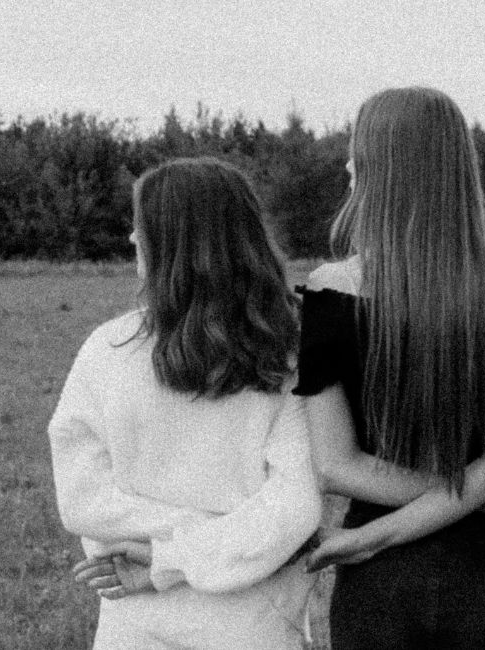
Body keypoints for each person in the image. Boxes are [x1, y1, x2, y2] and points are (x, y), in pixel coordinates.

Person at [292, 86, 485, 649]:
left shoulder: (329, 292)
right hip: (484, 571)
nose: (347, 169)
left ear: (378, 169)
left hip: (375, 578)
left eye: (355, 155)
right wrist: (478, 495)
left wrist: (376, 536)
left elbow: (336, 466)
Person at [49, 157, 321, 649]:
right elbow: (81, 500)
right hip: (242, 615)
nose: (132, 237)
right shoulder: (288, 353)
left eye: (142, 226)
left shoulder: (107, 349)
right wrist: (200, 544)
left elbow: (295, 508)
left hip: (174, 620)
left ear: (170, 243)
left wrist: (167, 555)